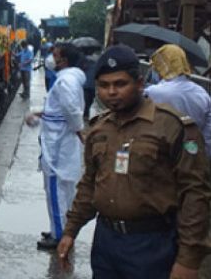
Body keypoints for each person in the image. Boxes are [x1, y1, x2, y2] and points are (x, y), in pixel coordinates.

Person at [57, 45, 211, 279]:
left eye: (120, 84)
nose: (111, 92)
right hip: (106, 242)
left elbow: (195, 194)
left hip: (152, 245)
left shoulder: (171, 126)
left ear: (140, 84)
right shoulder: (100, 128)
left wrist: (188, 260)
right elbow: (89, 184)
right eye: (104, 86)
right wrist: (70, 231)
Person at [32, 43, 85, 251]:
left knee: (55, 190)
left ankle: (58, 235)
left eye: (55, 55)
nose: (51, 59)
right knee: (64, 190)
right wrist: (40, 114)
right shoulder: (69, 79)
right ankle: (59, 227)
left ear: (64, 60)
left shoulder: (66, 81)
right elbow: (62, 110)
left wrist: (80, 130)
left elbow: (71, 110)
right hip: (61, 141)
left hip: (57, 145)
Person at [146, 44, 211, 158]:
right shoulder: (202, 94)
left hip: (160, 156)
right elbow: (208, 134)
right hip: (193, 156)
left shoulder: (153, 92)